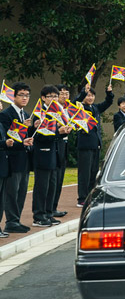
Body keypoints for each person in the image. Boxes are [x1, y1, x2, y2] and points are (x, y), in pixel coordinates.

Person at [31, 85, 67, 227]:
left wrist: (64, 131)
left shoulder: (57, 112)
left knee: (52, 185)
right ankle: (39, 216)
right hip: (43, 153)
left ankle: (48, 212)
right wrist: (59, 132)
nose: (54, 99)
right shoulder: (39, 113)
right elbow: (40, 135)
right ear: (43, 98)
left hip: (55, 153)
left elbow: (57, 134)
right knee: (42, 186)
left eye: (55, 96)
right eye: (50, 96)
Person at [0, 82, 34, 233]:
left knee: (21, 191)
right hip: (12, 159)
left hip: (24, 158)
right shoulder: (5, 115)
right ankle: (11, 221)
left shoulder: (26, 115)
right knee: (12, 192)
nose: (24, 98)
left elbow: (24, 137)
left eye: (27, 95)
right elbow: (8, 137)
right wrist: (23, 126)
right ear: (13, 96)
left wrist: (31, 129)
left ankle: (16, 219)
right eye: (21, 95)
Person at [75, 82, 114, 207]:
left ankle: (90, 195)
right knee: (84, 173)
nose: (90, 98)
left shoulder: (95, 108)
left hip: (96, 144)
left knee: (93, 172)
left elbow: (108, 103)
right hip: (85, 145)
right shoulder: (79, 107)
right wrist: (82, 93)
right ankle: (82, 198)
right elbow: (75, 102)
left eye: (92, 95)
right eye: (88, 95)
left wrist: (109, 93)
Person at [50, 84, 71, 219]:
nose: (64, 96)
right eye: (60, 94)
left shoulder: (66, 109)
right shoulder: (52, 111)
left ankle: (54, 207)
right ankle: (49, 209)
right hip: (54, 146)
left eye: (66, 93)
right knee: (53, 179)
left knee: (60, 179)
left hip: (64, 145)